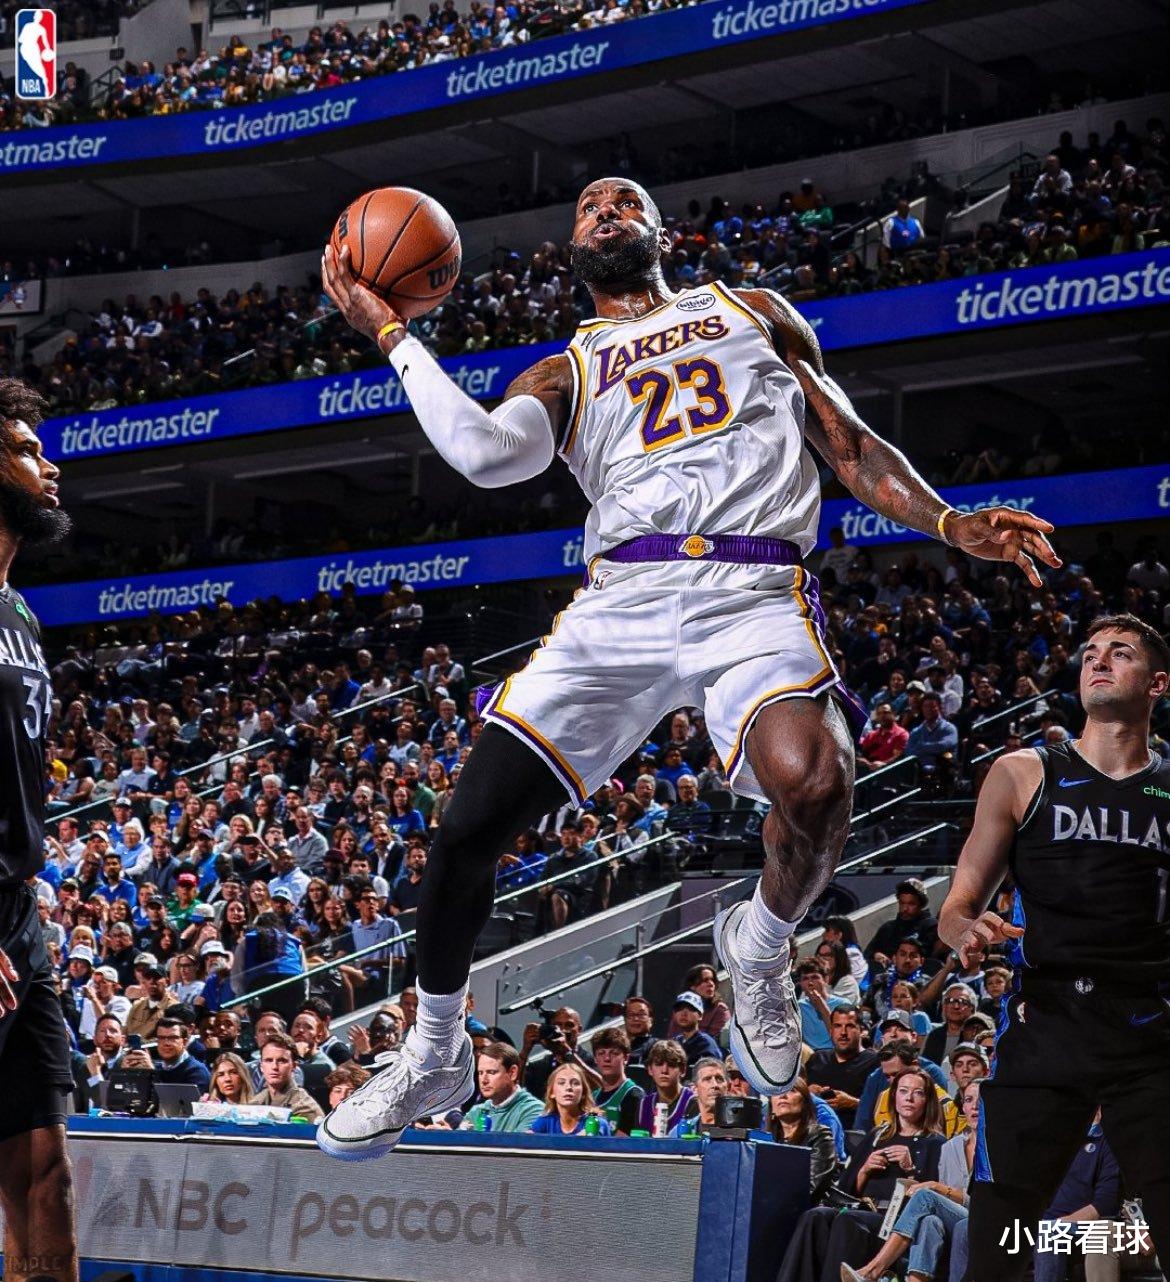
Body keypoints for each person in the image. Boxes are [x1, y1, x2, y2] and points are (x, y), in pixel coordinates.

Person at [316, 177, 1059, 1160]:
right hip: (623, 598)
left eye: (625, 200)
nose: (607, 209)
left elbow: (848, 444)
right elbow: (486, 455)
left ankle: (759, 939)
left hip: (751, 588)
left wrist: (951, 521)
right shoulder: (568, 369)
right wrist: (390, 333)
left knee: (819, 780)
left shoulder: (751, 310)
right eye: (589, 207)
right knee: (464, 832)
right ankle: (435, 1052)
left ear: (662, 231)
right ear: (573, 248)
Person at [939, 613, 1170, 1277]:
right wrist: (964, 931)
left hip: (1149, 1032)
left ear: (1157, 683)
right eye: (1091, 652)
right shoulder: (1022, 772)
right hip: (1046, 1026)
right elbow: (957, 906)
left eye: (1120, 653)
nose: (1099, 660)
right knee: (996, 1248)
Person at [0, 381, 78, 1282]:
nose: (48, 466)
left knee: (46, 1176)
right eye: (25, 451)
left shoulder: (19, 612)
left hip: (19, 918)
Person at [777, 1068, 947, 1282]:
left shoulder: (936, 1143)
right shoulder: (877, 1135)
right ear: (894, 1096)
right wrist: (864, 1170)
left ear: (927, 1100)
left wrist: (911, 1169)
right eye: (903, 1091)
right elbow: (845, 1191)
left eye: (918, 1093)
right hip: (862, 1207)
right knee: (816, 1216)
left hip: (895, 1223)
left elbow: (930, 1199)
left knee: (848, 1220)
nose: (909, 1098)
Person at [843, 1078, 981, 1282]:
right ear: (963, 1107)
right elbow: (943, 1203)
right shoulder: (951, 1147)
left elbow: (985, 1202)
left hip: (984, 1216)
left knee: (926, 1195)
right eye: (968, 1100)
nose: (975, 1106)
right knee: (930, 1221)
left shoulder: (1000, 1148)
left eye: (981, 1101)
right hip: (955, 1216)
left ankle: (872, 1271)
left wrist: (936, 1186)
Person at [805, 1005, 878, 1129]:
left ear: (861, 1030)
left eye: (849, 1026)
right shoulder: (817, 1058)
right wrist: (807, 1093)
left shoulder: (875, 1063)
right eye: (837, 1026)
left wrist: (853, 1103)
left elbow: (885, 1107)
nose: (843, 1032)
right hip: (814, 1131)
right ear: (831, 1031)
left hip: (855, 1133)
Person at [768, 1080, 839, 1199]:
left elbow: (814, 1187)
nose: (782, 1096)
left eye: (791, 1090)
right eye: (777, 1092)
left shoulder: (820, 1135)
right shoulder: (766, 1140)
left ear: (805, 1103)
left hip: (805, 1205)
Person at [460, 1042, 544, 1133]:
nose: (484, 1081)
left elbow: (517, 1142)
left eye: (491, 1072)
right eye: (480, 1073)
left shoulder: (534, 1110)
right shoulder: (477, 1112)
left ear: (512, 1073)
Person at [252, 1030, 324, 1122]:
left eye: (282, 1061)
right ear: (261, 1066)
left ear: (294, 1066)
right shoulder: (254, 1103)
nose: (274, 1067)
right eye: (269, 1060)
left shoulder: (304, 1107)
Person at [529, 1062, 612, 1136]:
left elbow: (584, 1139)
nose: (568, 1087)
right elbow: (526, 1139)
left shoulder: (594, 1119)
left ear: (583, 1093)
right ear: (552, 1093)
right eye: (561, 1083)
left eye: (575, 1083)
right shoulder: (546, 1121)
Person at [591, 1027, 645, 1134]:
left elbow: (635, 1140)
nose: (607, 1058)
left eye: (614, 1053)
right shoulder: (592, 1096)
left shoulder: (634, 1095)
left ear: (626, 1058)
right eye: (601, 1053)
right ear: (595, 1059)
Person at [635, 1039, 694, 1135]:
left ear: (683, 1070)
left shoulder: (692, 1101)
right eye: (659, 1064)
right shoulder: (644, 1104)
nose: (664, 1071)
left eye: (671, 1065)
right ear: (650, 1069)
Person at [670, 1056, 727, 1136]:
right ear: (695, 1089)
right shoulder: (679, 1133)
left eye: (719, 1079)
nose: (715, 1085)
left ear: (727, 1087)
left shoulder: (740, 1130)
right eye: (707, 1079)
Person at [152, 1016, 212, 1090]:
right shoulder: (156, 1068)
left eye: (173, 1038)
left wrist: (152, 1074)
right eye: (161, 1038)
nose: (166, 1043)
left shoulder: (197, 1072)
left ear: (184, 1042)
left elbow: (168, 1097)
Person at [670, 990, 722, 1069]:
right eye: (679, 1009)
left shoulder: (706, 1044)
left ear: (700, 1015)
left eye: (691, 1008)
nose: (684, 1013)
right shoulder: (675, 1042)